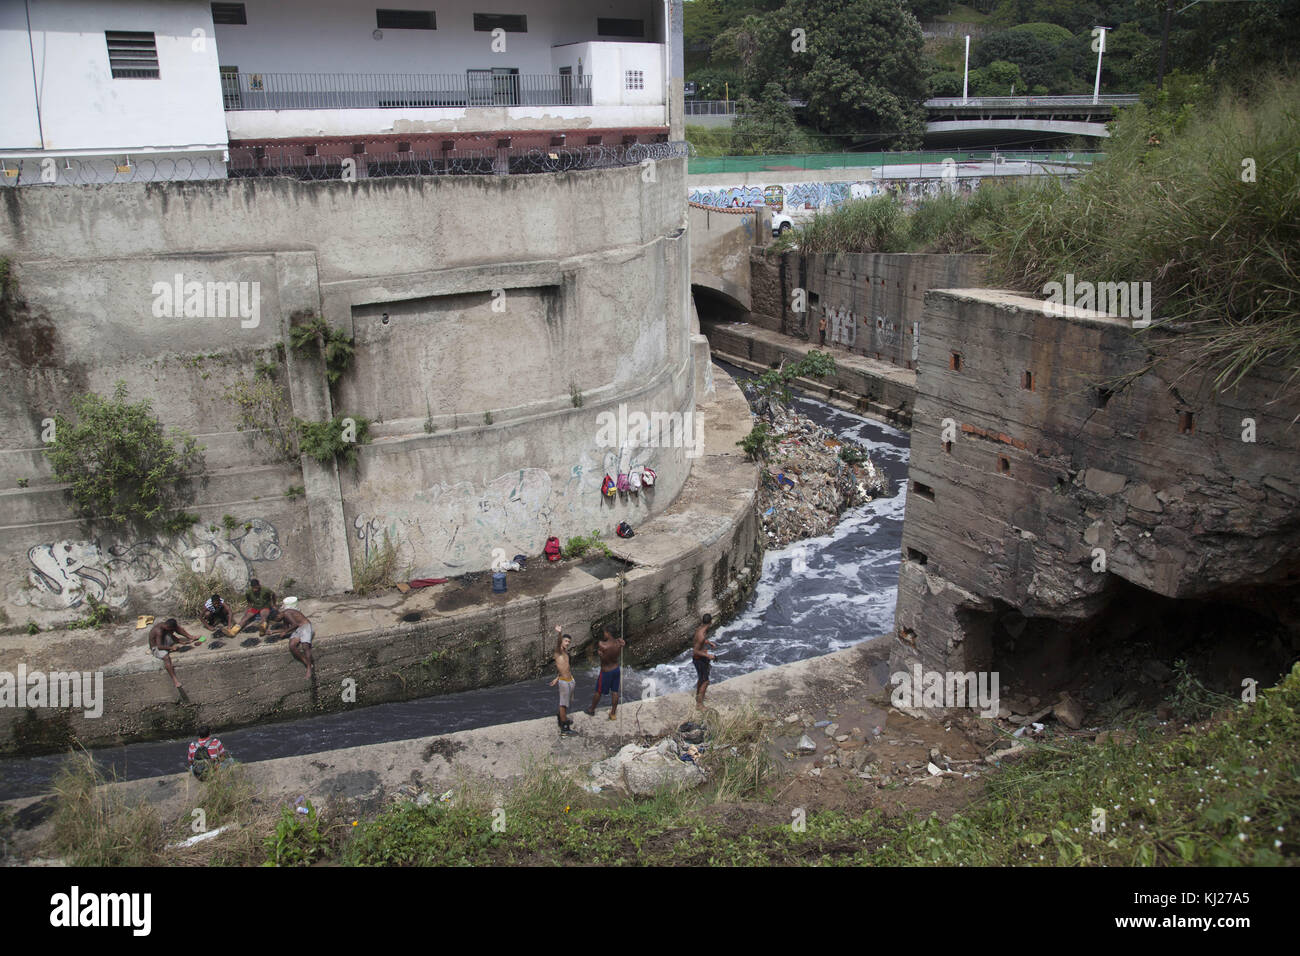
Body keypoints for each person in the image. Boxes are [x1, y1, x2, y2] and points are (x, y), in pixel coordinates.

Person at [585, 626, 626, 721]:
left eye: (604, 633)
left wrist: (600, 654)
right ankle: (613, 713)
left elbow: (604, 658)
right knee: (615, 692)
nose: (604, 634)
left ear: (608, 633)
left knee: (598, 691)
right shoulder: (619, 642)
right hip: (616, 669)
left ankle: (591, 709)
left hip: (606, 671)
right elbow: (622, 644)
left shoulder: (602, 644)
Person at [148, 618, 198, 692]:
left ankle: (191, 637)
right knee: (166, 657)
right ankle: (175, 680)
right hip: (156, 647)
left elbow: (170, 634)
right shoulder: (159, 631)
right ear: (168, 627)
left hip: (164, 640)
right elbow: (159, 647)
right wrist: (171, 647)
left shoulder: (165, 626)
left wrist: (179, 641)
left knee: (177, 628)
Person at [548, 626, 578, 736]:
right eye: (565, 641)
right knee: (563, 704)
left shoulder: (565, 653)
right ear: (561, 641)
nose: (567, 643)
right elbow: (557, 643)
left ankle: (562, 718)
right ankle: (564, 728)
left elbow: (563, 667)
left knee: (567, 702)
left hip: (570, 680)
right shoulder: (558, 652)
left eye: (568, 642)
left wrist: (556, 678)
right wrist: (559, 633)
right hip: (564, 682)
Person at [278, 599, 314, 680]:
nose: (278, 621)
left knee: (305, 646)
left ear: (278, 615)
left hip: (305, 626)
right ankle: (306, 662)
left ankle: (309, 668)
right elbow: (286, 629)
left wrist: (285, 632)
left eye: (277, 619)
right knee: (291, 646)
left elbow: (295, 624)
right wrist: (272, 632)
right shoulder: (284, 617)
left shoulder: (287, 613)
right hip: (298, 629)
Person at [692, 614, 718, 707]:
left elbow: (700, 641)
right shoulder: (701, 636)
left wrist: (709, 642)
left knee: (701, 678)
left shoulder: (700, 629)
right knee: (705, 681)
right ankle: (699, 705)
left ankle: (698, 696)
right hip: (699, 659)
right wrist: (708, 655)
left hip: (699, 659)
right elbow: (695, 651)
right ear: (710, 622)